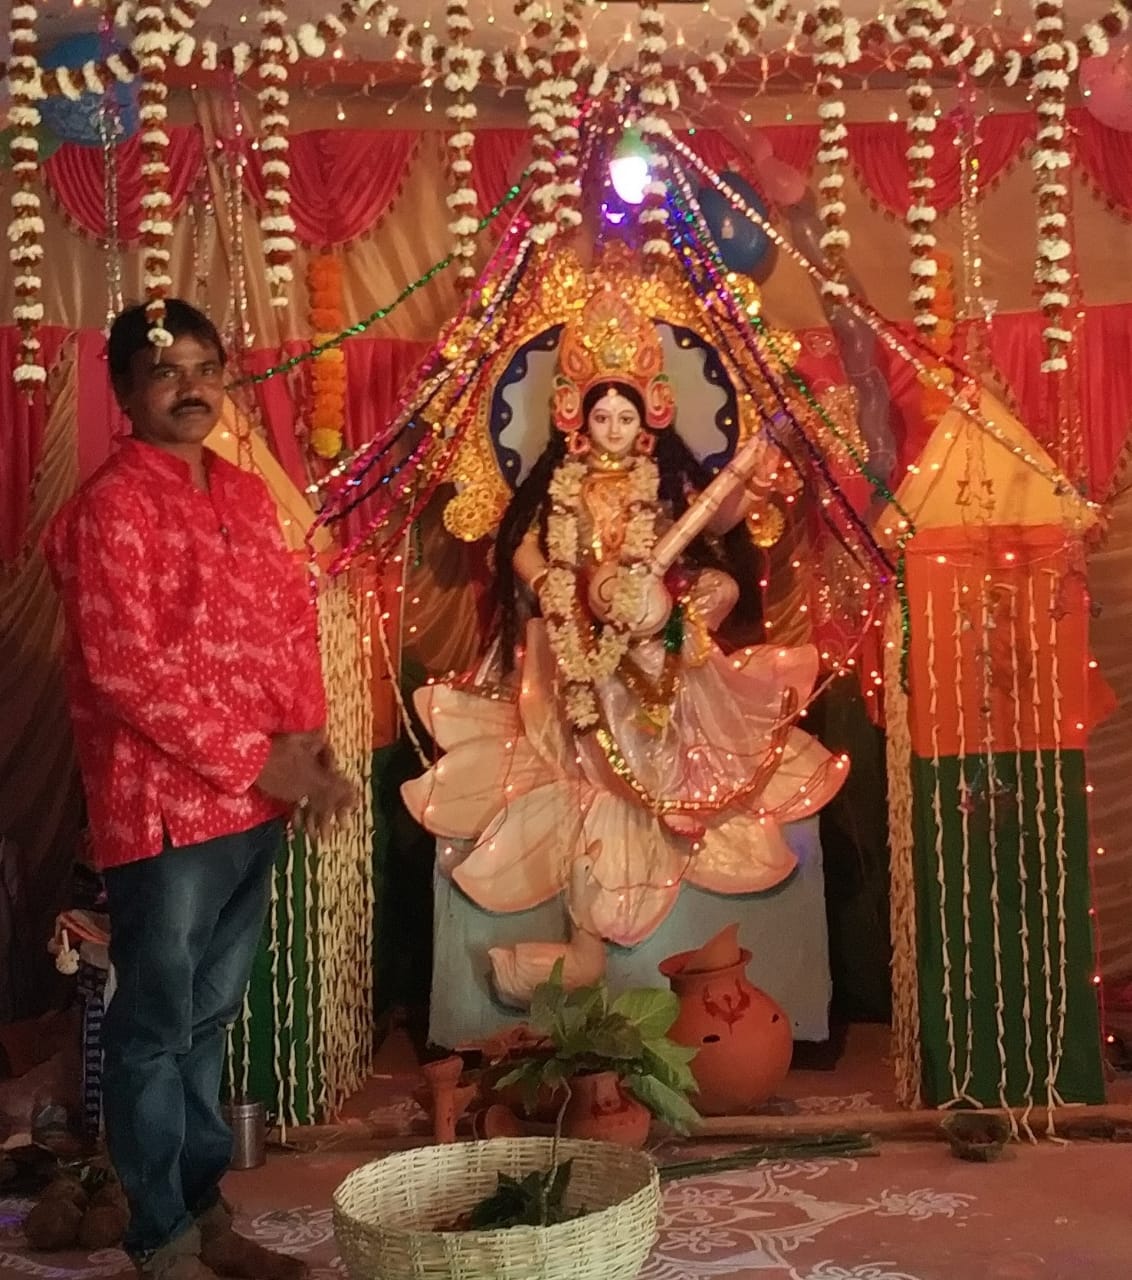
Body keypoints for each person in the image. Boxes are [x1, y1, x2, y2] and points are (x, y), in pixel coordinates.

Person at [45, 300, 356, 1280]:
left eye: (205, 367)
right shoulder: (111, 508)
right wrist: (258, 758)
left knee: (210, 1017)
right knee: (153, 1026)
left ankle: (204, 1214)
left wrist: (308, 750)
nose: (191, 387)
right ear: (124, 390)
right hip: (163, 812)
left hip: (252, 807)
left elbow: (288, 626)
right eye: (165, 371)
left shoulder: (247, 494)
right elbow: (122, 669)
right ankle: (161, 1238)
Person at [402, 291, 846, 965]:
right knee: (594, 669)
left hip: (657, 617)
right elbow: (521, 542)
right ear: (577, 418)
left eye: (625, 416)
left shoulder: (659, 478)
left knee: (712, 599)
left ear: (648, 418)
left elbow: (715, 522)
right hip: (582, 618)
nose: (612, 427)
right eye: (602, 415)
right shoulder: (564, 482)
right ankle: (632, 795)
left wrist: (754, 487)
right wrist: (549, 583)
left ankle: (677, 787)